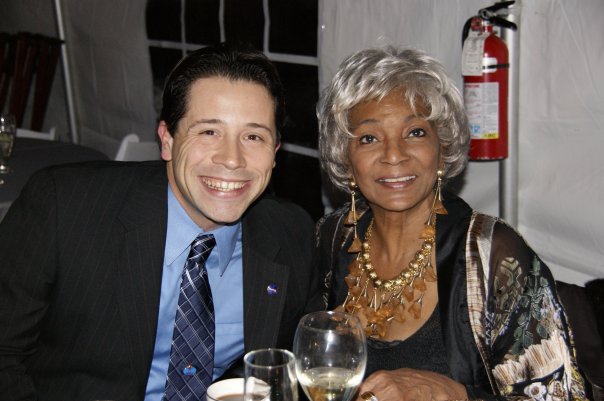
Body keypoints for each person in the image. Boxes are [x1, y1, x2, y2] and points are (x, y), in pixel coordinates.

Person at [0, 43, 321, 400]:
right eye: (208, 132)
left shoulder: (292, 234)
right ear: (167, 140)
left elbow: (296, 364)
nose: (232, 159)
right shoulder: (64, 207)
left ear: (275, 153)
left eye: (253, 136)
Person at [315, 46, 587, 400]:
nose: (394, 154)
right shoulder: (332, 237)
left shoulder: (496, 258)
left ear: (442, 148)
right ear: (346, 159)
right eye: (369, 138)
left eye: (415, 132)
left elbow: (564, 396)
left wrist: (458, 395)